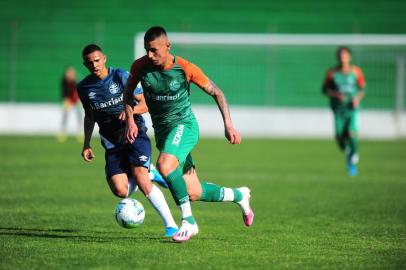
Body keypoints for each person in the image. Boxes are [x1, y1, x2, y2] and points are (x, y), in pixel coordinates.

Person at [123, 26, 254, 242]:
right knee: (193, 192)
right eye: (147, 50)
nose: (150, 55)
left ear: (168, 46)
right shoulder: (140, 66)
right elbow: (128, 93)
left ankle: (188, 222)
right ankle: (240, 195)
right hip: (165, 133)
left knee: (164, 165)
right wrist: (130, 120)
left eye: (154, 50)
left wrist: (228, 125)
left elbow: (217, 92)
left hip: (185, 126)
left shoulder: (185, 68)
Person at [77, 44, 178, 237]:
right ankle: (151, 173)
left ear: (104, 58)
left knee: (140, 177)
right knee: (121, 190)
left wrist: (129, 111)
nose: (94, 65)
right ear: (85, 64)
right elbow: (89, 116)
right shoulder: (84, 87)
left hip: (134, 132)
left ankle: (170, 225)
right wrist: (86, 144)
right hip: (111, 143)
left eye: (97, 60)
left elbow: (145, 103)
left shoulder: (121, 76)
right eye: (90, 63)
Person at [322, 46, 366, 176]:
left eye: (345, 55)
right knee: (340, 136)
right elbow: (325, 89)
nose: (343, 58)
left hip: (352, 109)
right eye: (341, 56)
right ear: (338, 57)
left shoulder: (356, 71)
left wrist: (357, 98)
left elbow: (363, 88)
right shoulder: (332, 73)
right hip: (338, 109)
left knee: (352, 133)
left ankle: (353, 155)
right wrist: (336, 95)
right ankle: (348, 151)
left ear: (349, 57)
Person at [58, 65, 82, 142]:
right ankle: (62, 132)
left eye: (72, 72)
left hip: (76, 100)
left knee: (79, 116)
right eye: (69, 72)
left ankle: (80, 132)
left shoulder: (76, 81)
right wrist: (66, 100)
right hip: (67, 100)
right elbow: (64, 92)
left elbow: (77, 92)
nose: (70, 74)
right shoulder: (64, 81)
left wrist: (78, 100)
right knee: (65, 116)